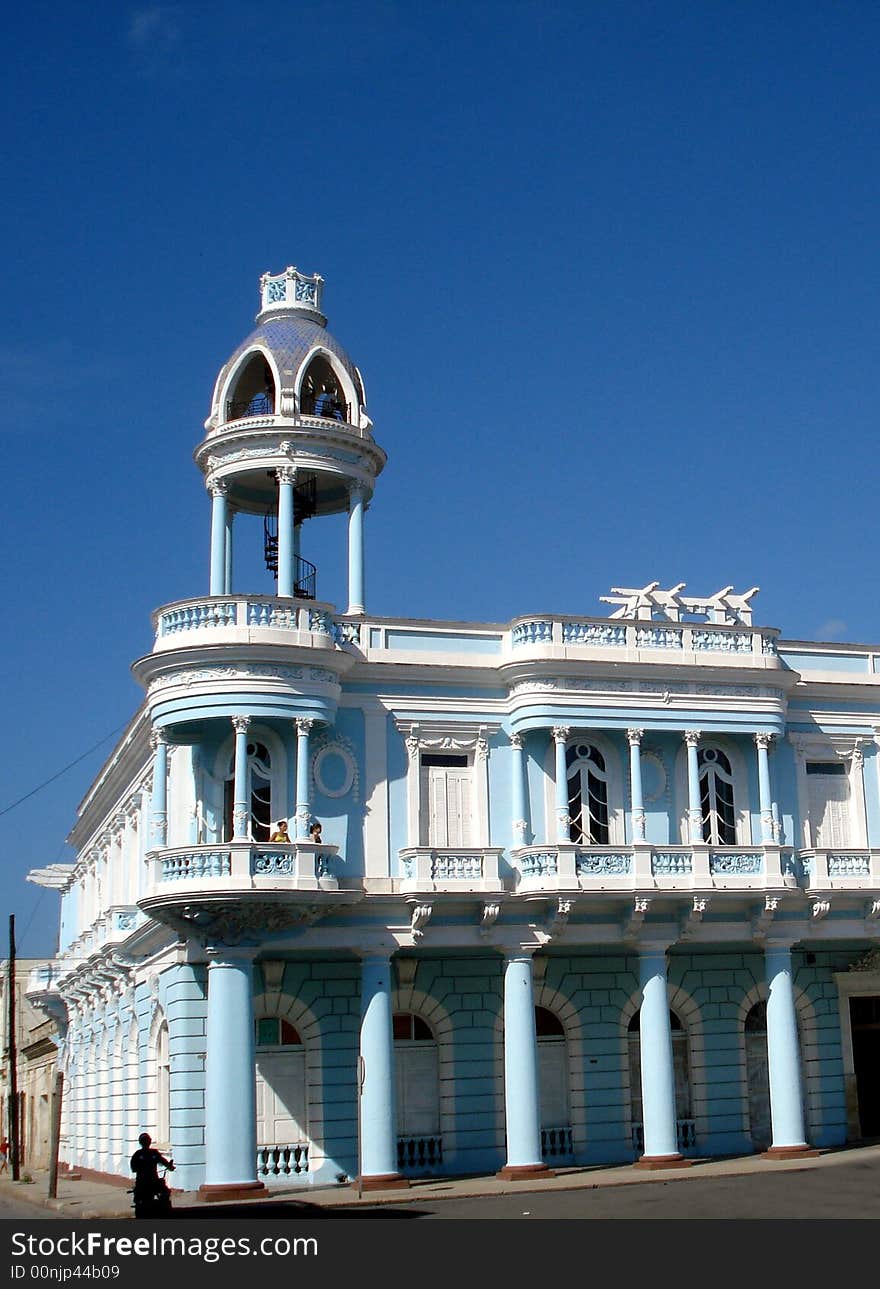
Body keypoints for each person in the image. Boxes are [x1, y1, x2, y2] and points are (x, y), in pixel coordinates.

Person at [130, 1133, 174, 1216]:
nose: (146, 1143)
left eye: (147, 1141)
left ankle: (165, 1210)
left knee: (165, 1192)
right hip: (142, 1181)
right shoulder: (138, 1154)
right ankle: (140, 1207)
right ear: (141, 1143)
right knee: (139, 1196)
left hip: (154, 1180)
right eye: (144, 1141)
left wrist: (169, 1166)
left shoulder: (154, 1153)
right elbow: (133, 1168)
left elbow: (163, 1161)